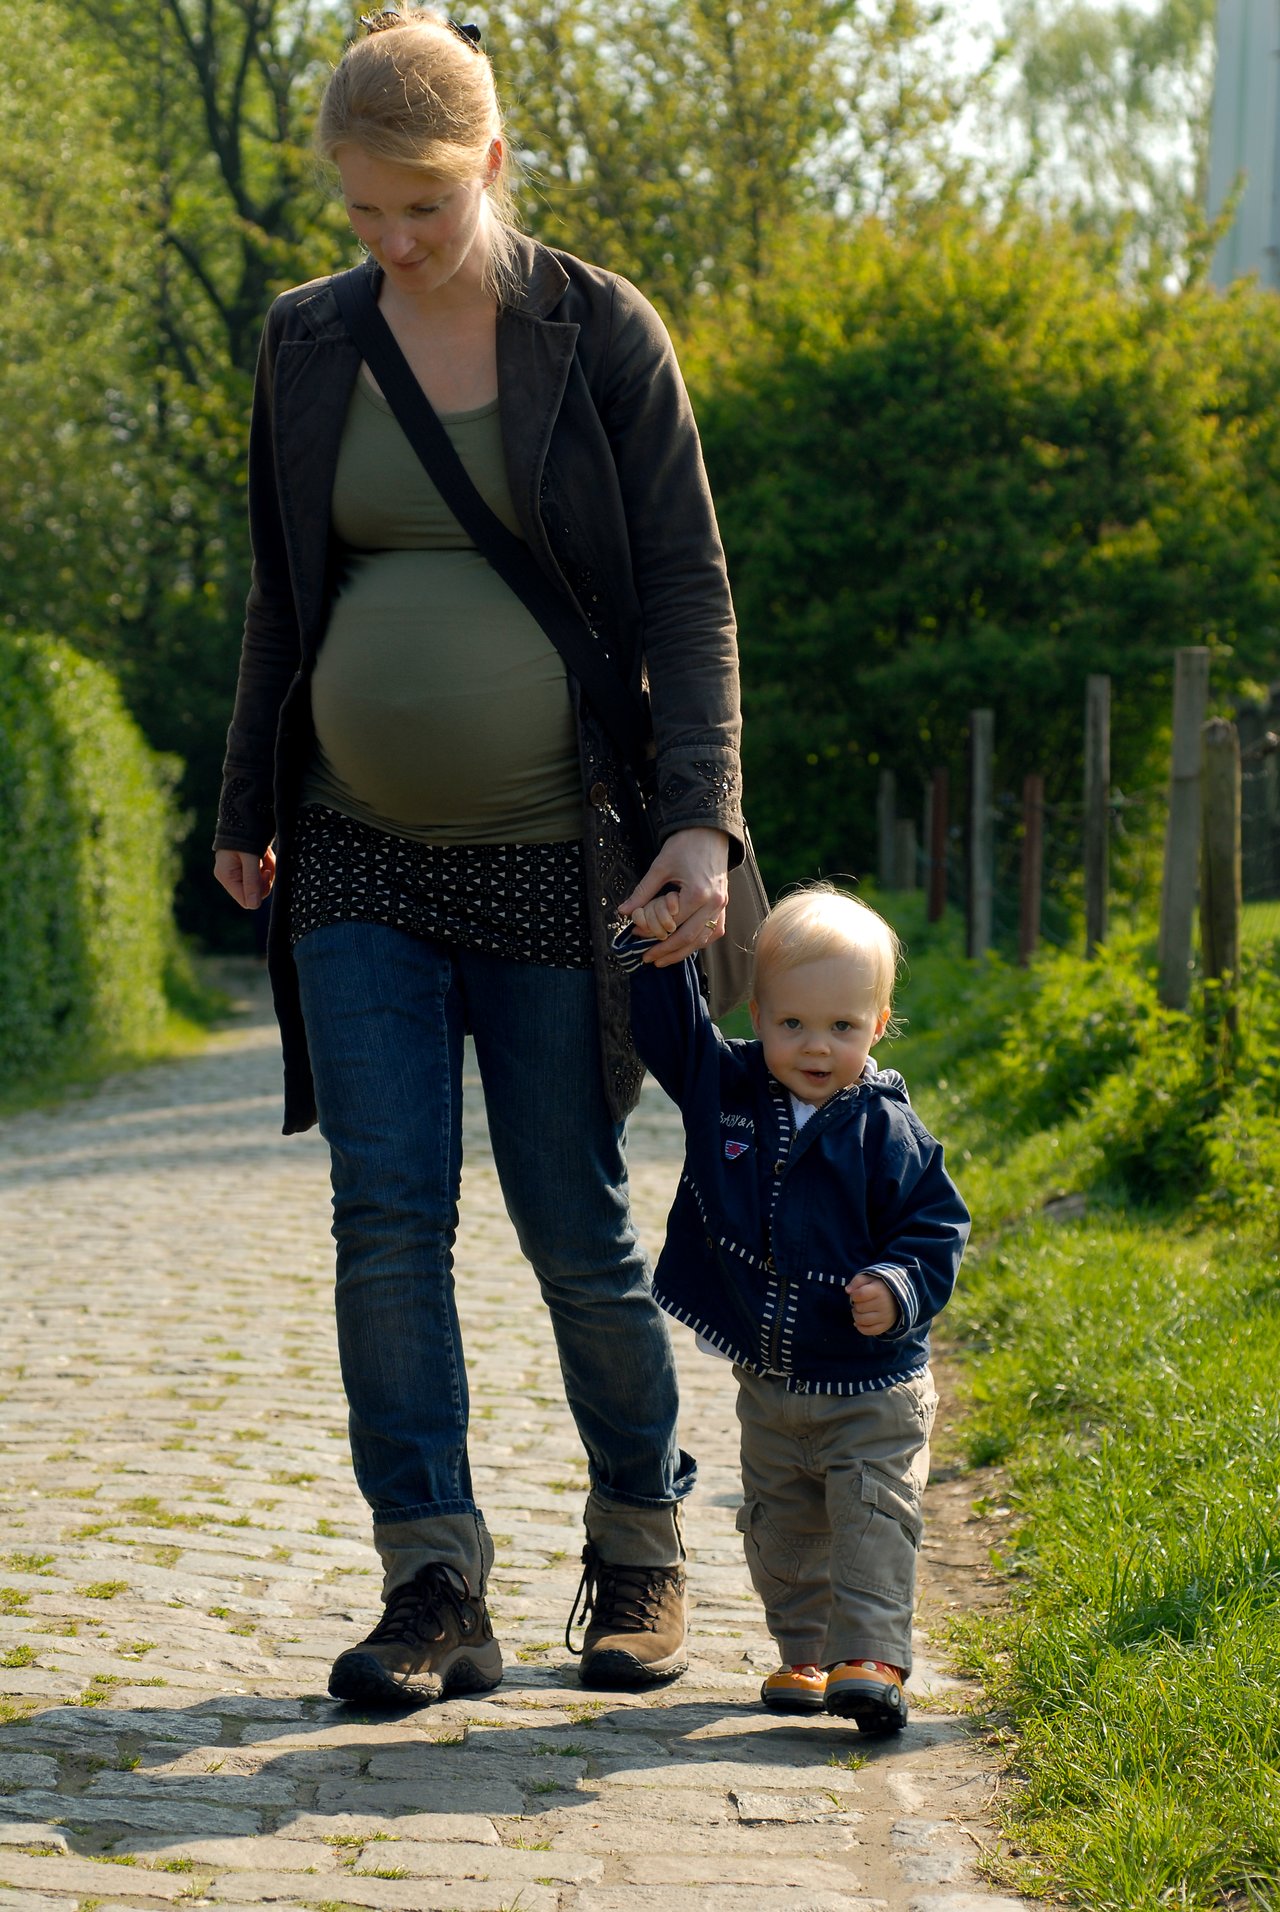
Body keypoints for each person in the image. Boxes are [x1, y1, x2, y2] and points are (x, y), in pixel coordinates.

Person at [212, 8, 745, 1708]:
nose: (393, 240)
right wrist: (245, 805)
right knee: (386, 1218)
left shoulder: (596, 334)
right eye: (364, 211)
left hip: (551, 850)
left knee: (574, 1225)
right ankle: (431, 1579)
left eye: (423, 207)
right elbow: (285, 600)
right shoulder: (307, 344)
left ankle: (640, 1553)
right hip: (359, 853)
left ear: (492, 164)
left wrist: (699, 821)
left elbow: (687, 591)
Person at [615, 886, 969, 1731]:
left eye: (843, 1029)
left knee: (872, 1517)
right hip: (770, 1385)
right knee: (781, 1529)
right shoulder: (727, 1088)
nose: (816, 1048)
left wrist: (897, 1285)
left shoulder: (889, 1133)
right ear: (760, 1014)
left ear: (878, 1026)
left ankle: (872, 1657)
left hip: (871, 1388)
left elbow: (937, 1228)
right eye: (793, 1025)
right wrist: (655, 949)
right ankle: (805, 1653)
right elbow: (669, 1032)